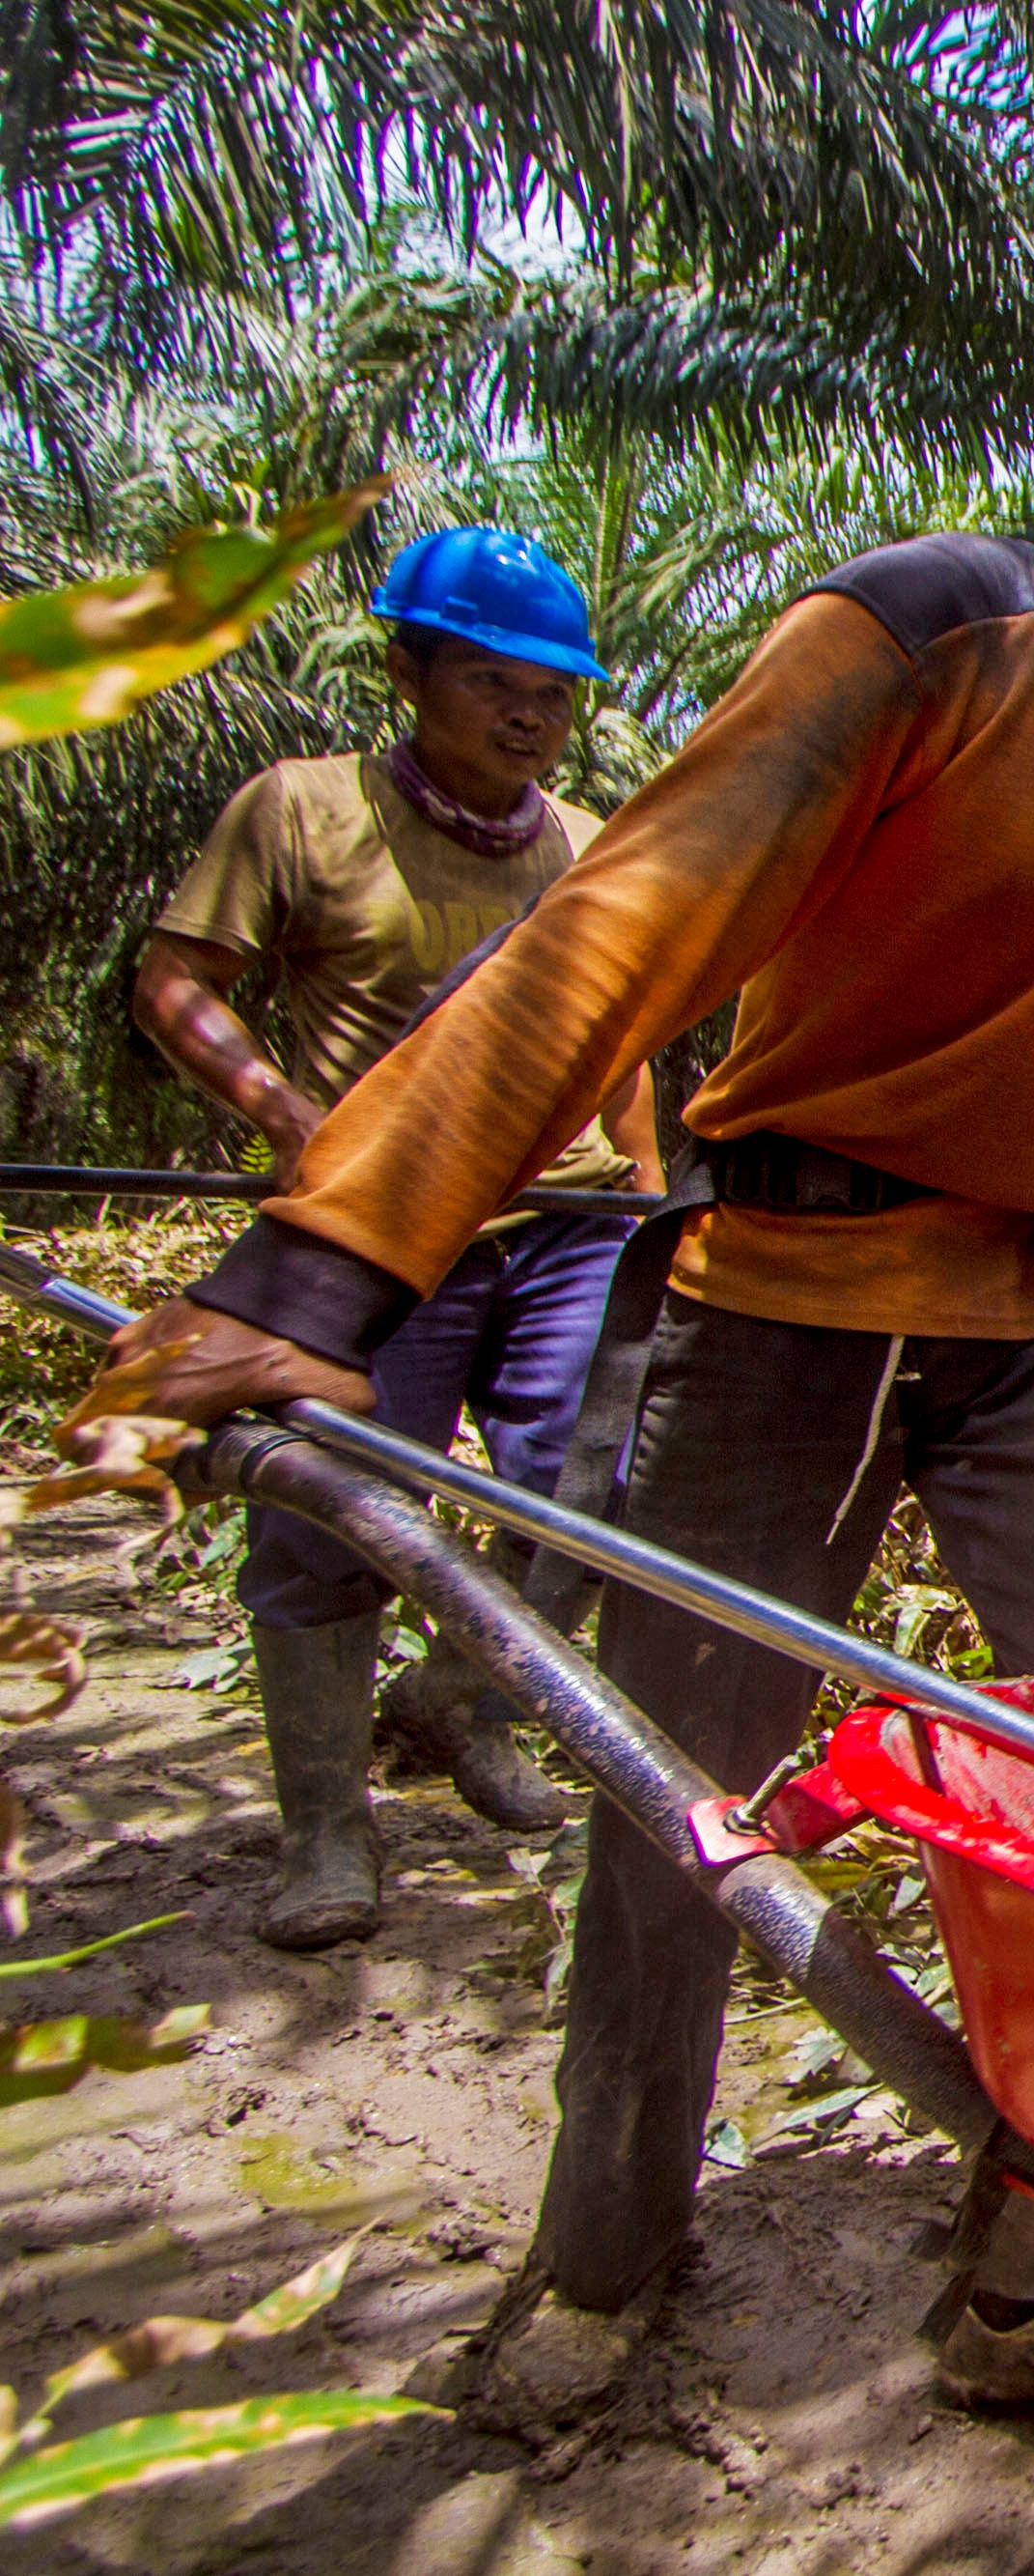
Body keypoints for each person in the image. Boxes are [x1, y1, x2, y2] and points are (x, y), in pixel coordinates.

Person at [94, 181, 1034, 2329]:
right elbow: (616, 933)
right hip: (780, 1293)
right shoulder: (922, 633)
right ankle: (604, 2260)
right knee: (678, 1804)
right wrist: (324, 1271)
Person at [134, 525, 661, 1950]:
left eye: (554, 696)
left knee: (590, 1494)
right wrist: (283, 1111)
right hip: (385, 1228)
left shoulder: (589, 847)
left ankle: (468, 1701)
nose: (530, 718)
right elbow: (177, 980)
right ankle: (326, 1830)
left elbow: (623, 1041)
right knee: (330, 1511)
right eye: (494, 682)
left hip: (568, 1225)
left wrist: (654, 1197)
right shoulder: (300, 812)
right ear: (408, 671)